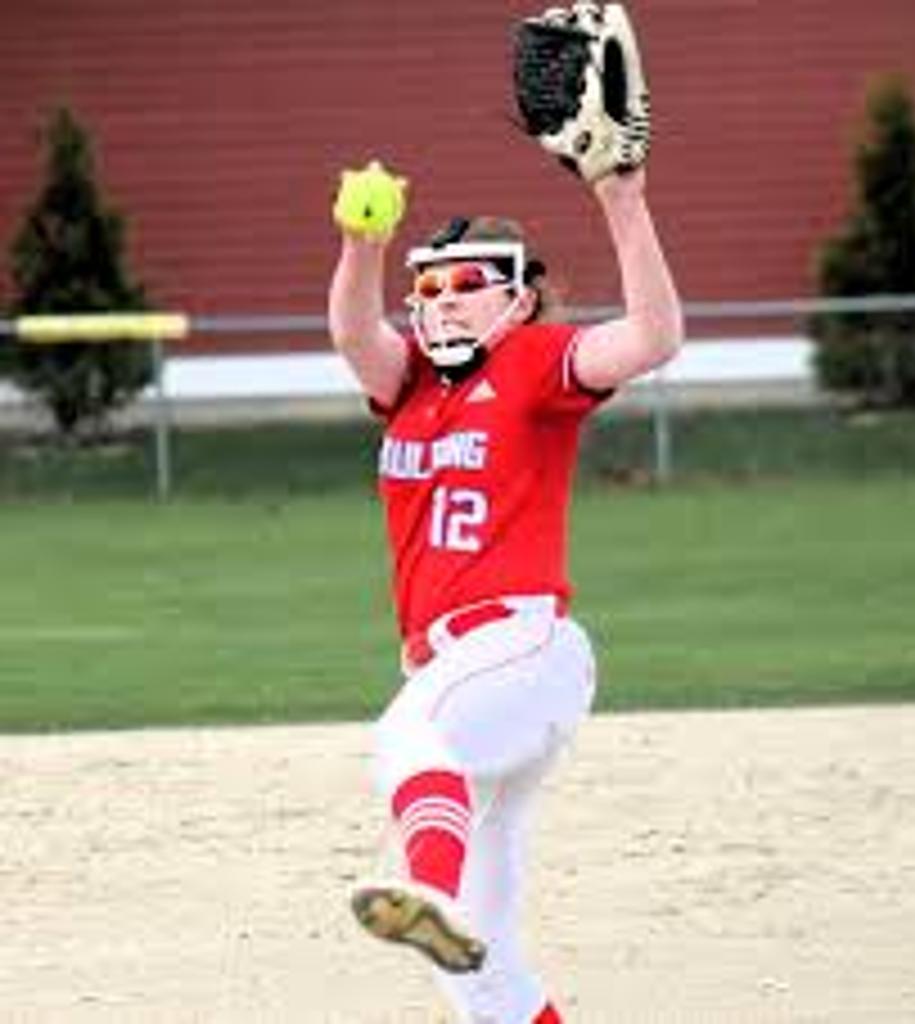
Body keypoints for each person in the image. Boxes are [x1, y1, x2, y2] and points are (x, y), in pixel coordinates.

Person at [327, 164, 683, 1024]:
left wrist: (621, 200)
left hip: (521, 647)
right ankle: (453, 925)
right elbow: (353, 334)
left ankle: (427, 893)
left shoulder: (530, 359)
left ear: (518, 300)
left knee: (408, 736)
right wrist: (361, 246)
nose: (444, 301)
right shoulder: (410, 380)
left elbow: (652, 338)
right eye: (430, 287)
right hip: (464, 671)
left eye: (468, 284)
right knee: (479, 971)